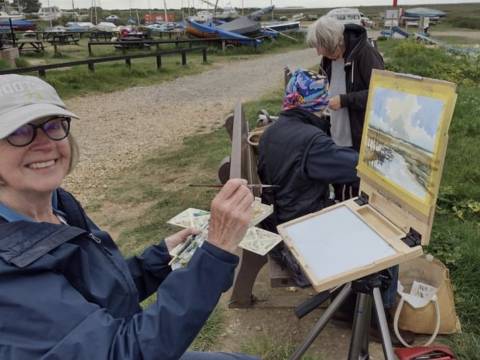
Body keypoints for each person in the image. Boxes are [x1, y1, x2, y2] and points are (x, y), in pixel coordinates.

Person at [0, 74, 259, 360]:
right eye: (20, 131)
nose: (45, 143)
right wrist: (216, 251)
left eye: (53, 125)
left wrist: (161, 258)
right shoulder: (7, 268)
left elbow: (99, 294)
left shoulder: (59, 204)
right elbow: (121, 353)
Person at [257, 69, 359, 286]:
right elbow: (356, 167)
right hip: (300, 235)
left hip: (278, 221)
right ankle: (357, 310)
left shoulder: (272, 131)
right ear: (319, 103)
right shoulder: (311, 141)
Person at [306, 16, 384, 201]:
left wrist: (344, 100)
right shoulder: (328, 58)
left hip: (358, 136)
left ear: (333, 43)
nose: (318, 52)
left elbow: (381, 95)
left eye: (320, 46)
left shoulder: (366, 55)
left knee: (357, 186)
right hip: (336, 131)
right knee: (339, 181)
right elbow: (324, 84)